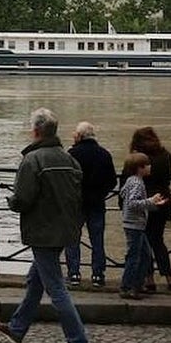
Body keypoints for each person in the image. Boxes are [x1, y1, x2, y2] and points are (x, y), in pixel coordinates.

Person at [0, 108, 90, 343]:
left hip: (43, 231)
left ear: (36, 131)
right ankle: (16, 329)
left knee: (56, 288)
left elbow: (23, 199)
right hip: (65, 230)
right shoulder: (70, 160)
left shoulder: (32, 160)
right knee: (36, 281)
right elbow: (78, 195)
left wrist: (10, 201)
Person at [65, 122, 117, 288]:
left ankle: (74, 274)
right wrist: (101, 193)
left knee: (73, 239)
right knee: (97, 240)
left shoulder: (72, 154)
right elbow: (112, 181)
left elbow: (66, 179)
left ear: (79, 136)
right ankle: (97, 275)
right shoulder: (104, 154)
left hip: (76, 203)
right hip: (97, 203)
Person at [129, 126, 171, 292]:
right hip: (162, 201)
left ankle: (149, 279)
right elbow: (168, 177)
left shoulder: (138, 158)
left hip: (144, 202)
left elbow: (130, 177)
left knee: (145, 243)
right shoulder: (165, 155)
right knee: (158, 241)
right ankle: (169, 278)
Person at [118, 152, 168, 299]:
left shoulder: (130, 180)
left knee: (145, 256)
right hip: (135, 225)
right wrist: (151, 201)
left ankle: (136, 285)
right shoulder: (137, 182)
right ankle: (128, 287)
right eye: (147, 165)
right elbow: (132, 203)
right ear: (140, 168)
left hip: (134, 224)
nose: (150, 167)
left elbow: (124, 196)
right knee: (135, 257)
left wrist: (153, 204)